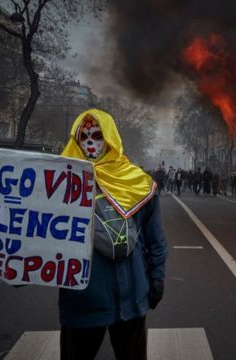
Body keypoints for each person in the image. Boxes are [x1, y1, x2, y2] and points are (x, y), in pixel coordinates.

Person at [59, 109, 167, 360]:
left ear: (110, 138)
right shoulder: (59, 182)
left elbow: (155, 240)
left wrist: (157, 278)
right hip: (82, 302)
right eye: (82, 136)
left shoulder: (138, 183)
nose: (89, 142)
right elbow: (37, 234)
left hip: (130, 301)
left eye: (97, 135)